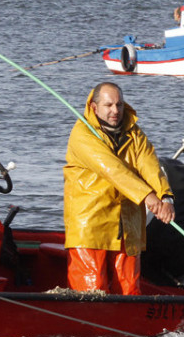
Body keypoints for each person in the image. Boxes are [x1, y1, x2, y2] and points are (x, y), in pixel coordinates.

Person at [63, 82, 175, 295]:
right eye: (109, 105)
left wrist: (165, 197)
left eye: (119, 105)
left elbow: (150, 165)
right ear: (95, 108)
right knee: (91, 291)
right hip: (90, 226)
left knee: (130, 290)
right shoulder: (82, 135)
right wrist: (148, 197)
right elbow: (113, 170)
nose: (115, 111)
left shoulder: (134, 133)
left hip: (127, 225)